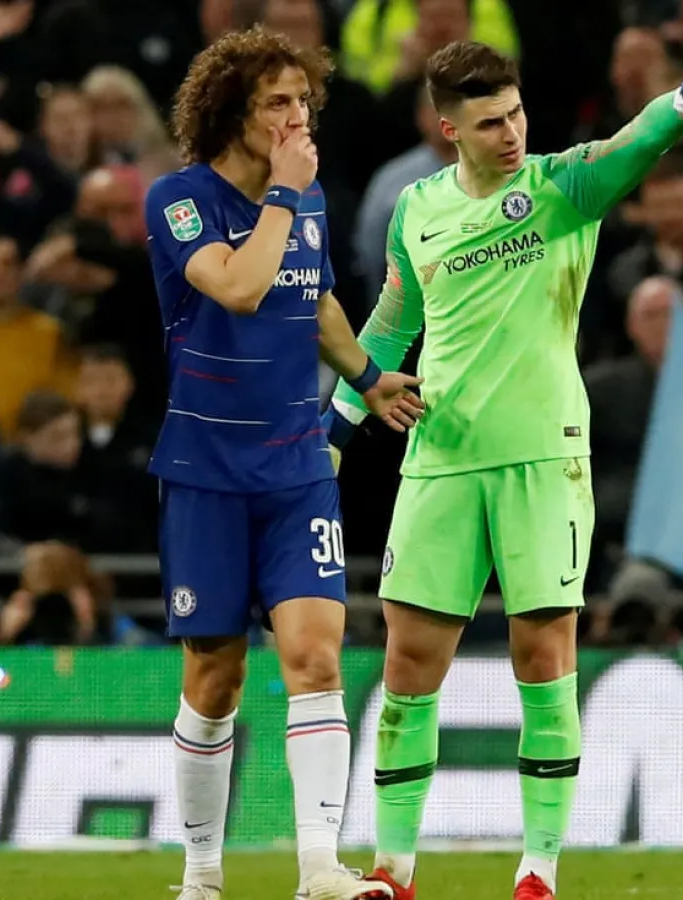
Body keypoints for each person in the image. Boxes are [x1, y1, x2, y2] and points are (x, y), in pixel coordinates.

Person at [324, 5, 683, 899]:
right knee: (410, 666)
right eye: (490, 122)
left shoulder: (563, 186)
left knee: (544, 657)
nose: (510, 133)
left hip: (543, 459)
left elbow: (635, 144)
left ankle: (538, 871)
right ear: (447, 128)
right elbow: (390, 323)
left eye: (517, 114)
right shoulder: (416, 208)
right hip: (442, 458)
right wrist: (333, 435)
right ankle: (395, 869)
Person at [142, 26, 425, 900]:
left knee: (316, 658)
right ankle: (201, 875)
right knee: (216, 678)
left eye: (304, 101)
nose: (298, 117)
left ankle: (318, 870)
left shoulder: (301, 202)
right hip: (205, 473)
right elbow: (241, 284)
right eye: (278, 102)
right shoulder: (178, 199)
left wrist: (369, 377)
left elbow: (314, 297)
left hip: (298, 467)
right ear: (234, 112)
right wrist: (286, 195)